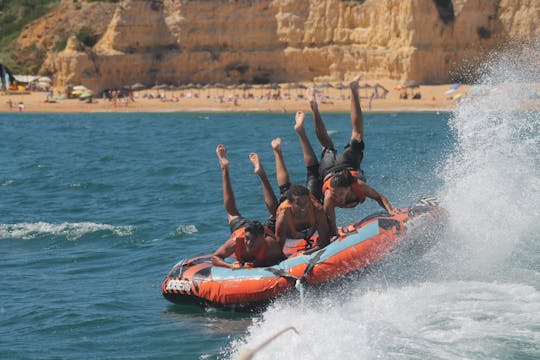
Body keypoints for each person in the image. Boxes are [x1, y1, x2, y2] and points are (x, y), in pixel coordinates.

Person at [296, 76, 397, 235]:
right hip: (342, 165)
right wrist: (335, 232)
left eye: (340, 194)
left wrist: (391, 211)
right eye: (336, 194)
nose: (339, 198)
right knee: (352, 135)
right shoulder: (330, 196)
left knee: (330, 143)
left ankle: (318, 107)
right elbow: (331, 221)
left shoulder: (358, 185)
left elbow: (379, 197)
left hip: (335, 167)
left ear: (350, 187)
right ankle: (347, 92)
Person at [212, 145, 285, 269]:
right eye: (247, 239)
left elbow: (282, 261)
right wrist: (230, 266)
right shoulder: (237, 241)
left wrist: (255, 264)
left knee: (276, 213)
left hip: (265, 230)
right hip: (242, 228)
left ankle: (261, 173)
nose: (248, 243)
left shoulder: (270, 245)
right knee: (231, 213)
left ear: (262, 239)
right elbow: (215, 257)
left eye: (253, 240)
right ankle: (224, 168)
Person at [271, 138, 331, 252]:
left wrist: (310, 252)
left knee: (313, 174)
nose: (303, 207)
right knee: (284, 188)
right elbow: (279, 247)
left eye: (305, 203)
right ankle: (277, 152)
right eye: (299, 204)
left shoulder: (316, 209)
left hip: (308, 198)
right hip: (288, 202)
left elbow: (325, 241)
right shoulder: (283, 216)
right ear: (291, 203)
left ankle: (301, 132)